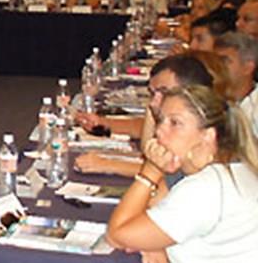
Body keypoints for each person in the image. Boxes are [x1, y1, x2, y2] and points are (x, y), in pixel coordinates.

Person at [105, 84, 258, 263]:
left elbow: (118, 233)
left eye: (175, 123)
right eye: (161, 120)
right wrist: (159, 243)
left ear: (207, 136)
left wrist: (150, 170)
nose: (160, 132)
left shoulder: (207, 187)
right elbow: (158, 212)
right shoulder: (233, 171)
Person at [75, 52, 224, 176]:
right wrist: (104, 122)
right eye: (152, 93)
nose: (153, 102)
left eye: (164, 92)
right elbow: (146, 150)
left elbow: (165, 171)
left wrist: (107, 164)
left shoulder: (202, 134)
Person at [215, 32, 258, 131]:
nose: (217, 66)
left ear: (248, 67)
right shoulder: (213, 100)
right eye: (215, 60)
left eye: (224, 60)